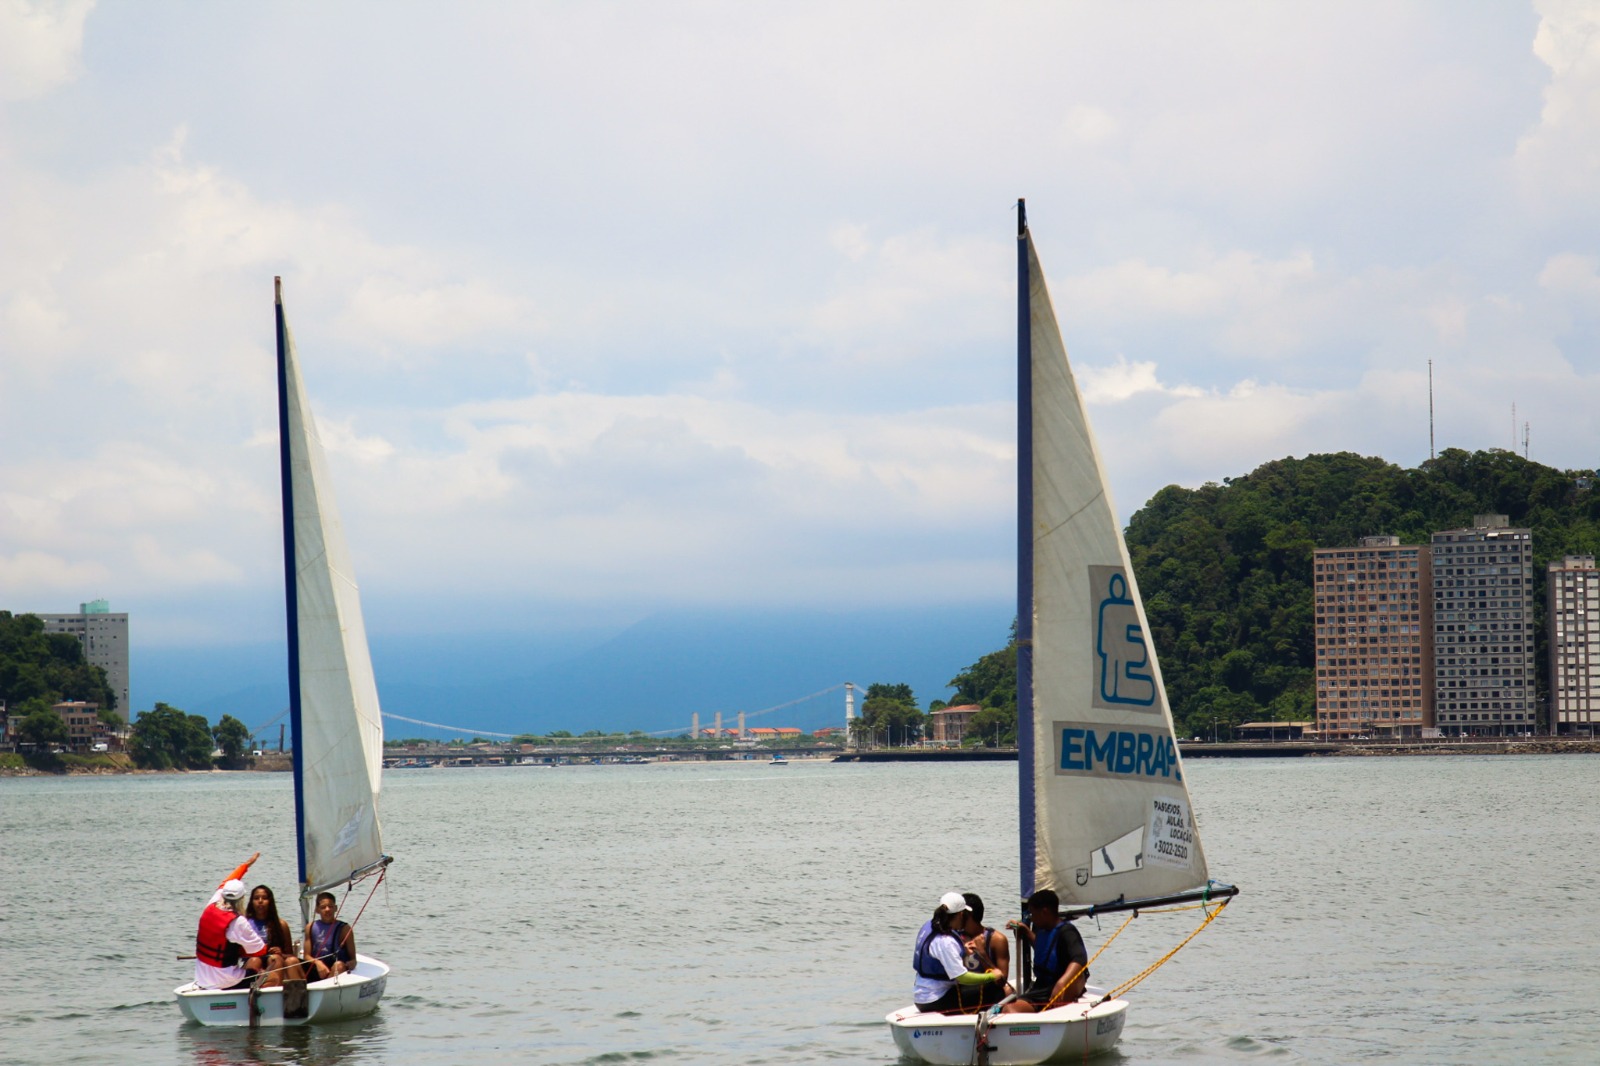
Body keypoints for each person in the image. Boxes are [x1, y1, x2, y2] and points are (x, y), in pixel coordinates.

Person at [912, 892, 1005, 1015]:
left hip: (922, 996)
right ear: (961, 914)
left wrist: (963, 951)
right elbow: (962, 978)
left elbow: (938, 954)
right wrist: (992, 976)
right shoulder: (946, 942)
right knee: (995, 990)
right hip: (935, 999)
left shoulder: (929, 925)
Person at [1001, 888, 1089, 1013]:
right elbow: (1043, 949)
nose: (1031, 918)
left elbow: (1080, 958)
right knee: (1007, 1008)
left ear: (1044, 912)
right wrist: (1025, 930)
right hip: (1042, 987)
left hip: (1061, 986)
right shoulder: (1041, 929)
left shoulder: (1067, 932)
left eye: (1033, 914)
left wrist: (1062, 983)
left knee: (1010, 1010)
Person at [193, 852, 269, 990]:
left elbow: (226, 881)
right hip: (226, 981)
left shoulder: (211, 905)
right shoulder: (237, 921)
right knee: (268, 971)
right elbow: (260, 950)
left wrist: (246, 865)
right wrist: (241, 950)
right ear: (242, 899)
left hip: (202, 978)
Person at [243, 885, 304, 987]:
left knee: (275, 959)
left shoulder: (281, 925)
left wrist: (281, 954)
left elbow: (291, 955)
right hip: (252, 961)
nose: (260, 901)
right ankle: (249, 991)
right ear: (251, 902)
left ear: (270, 901)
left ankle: (275, 991)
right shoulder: (244, 923)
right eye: (256, 898)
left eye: (264, 898)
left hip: (273, 962)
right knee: (255, 960)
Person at [957, 892, 1013, 996]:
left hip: (987, 992)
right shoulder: (954, 937)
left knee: (1008, 991)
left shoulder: (997, 940)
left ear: (967, 915)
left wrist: (982, 953)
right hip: (961, 992)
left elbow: (1002, 981)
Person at [303, 891, 356, 979]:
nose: (327, 909)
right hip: (316, 968)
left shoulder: (345, 929)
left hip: (335, 970)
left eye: (330, 906)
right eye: (323, 907)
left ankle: (327, 984)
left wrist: (351, 963)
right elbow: (306, 956)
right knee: (291, 962)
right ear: (317, 910)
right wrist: (318, 963)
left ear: (336, 908)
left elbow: (353, 959)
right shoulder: (310, 927)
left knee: (338, 966)